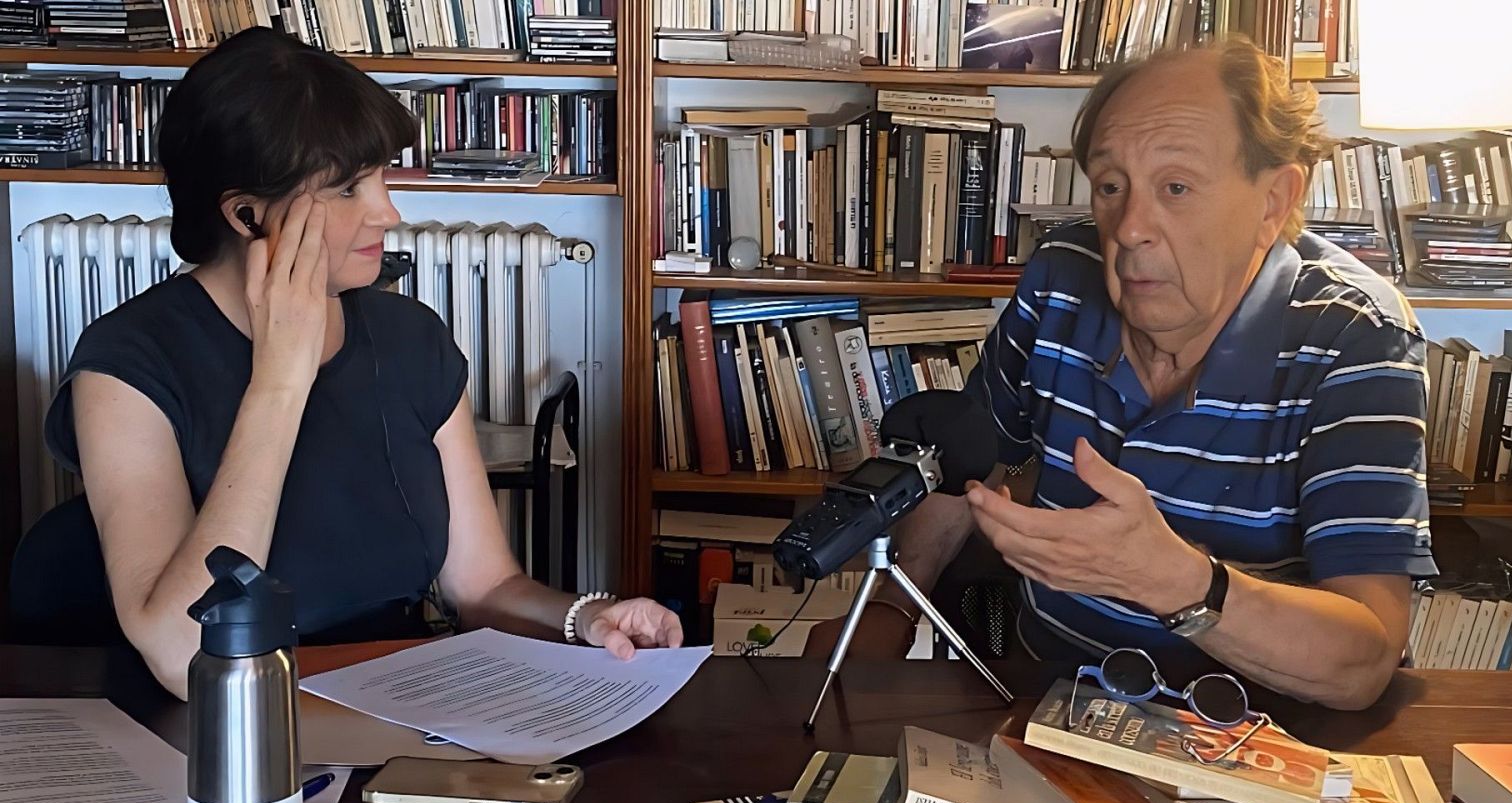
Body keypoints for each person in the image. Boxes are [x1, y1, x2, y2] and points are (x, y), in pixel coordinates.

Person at [44, 28, 681, 700]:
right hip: (230, 732)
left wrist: (585, 618)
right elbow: (180, 654)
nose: (388, 211)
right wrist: (280, 382)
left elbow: (484, 586)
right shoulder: (126, 366)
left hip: (406, 709)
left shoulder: (412, 339)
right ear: (247, 214)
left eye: (380, 178)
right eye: (349, 188)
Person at [806, 37, 1433, 711]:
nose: (1129, 228)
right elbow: (968, 464)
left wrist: (1170, 579)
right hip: (1048, 698)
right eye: (1111, 187)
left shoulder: (1359, 336)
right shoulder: (1062, 275)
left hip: (1251, 730)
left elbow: (1362, 661)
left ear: (1273, 201)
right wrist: (896, 605)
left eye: (1177, 187)